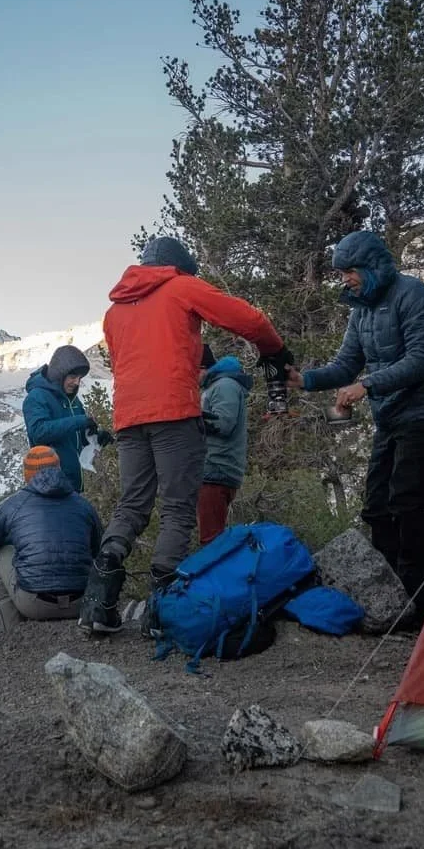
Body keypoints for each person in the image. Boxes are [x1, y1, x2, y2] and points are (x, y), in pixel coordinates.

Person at [80, 235, 291, 634]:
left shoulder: (114, 312)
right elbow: (249, 319)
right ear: (178, 266)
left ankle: (99, 604)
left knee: (132, 505)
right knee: (178, 507)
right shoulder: (180, 286)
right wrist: (274, 349)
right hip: (174, 414)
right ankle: (162, 612)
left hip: (129, 417)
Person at [287, 229, 424, 630]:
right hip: (392, 416)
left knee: (407, 504)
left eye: (350, 271)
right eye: (342, 273)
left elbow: (422, 359)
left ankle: (419, 602)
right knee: (377, 506)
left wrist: (368, 385)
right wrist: (305, 380)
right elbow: (346, 364)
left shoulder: (414, 296)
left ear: (372, 267)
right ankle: (391, 596)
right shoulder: (360, 311)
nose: (346, 279)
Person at [0, 446, 102, 630]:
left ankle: (9, 630)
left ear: (27, 475)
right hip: (81, 601)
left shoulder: (12, 505)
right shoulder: (83, 505)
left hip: (34, 604)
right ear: (59, 468)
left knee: (0, 551)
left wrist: (16, 541)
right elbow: (98, 549)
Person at [23, 344, 111, 493]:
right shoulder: (36, 397)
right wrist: (79, 421)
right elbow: (38, 432)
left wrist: (98, 439)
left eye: (79, 378)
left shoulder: (74, 403)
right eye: (72, 377)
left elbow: (78, 441)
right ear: (59, 374)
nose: (76, 382)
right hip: (48, 486)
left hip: (72, 486)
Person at [197, 345, 252, 545]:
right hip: (214, 470)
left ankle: (219, 576)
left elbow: (223, 423)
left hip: (216, 469)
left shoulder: (224, 385)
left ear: (201, 368)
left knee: (211, 541)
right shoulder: (216, 386)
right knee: (211, 536)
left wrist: (191, 421)